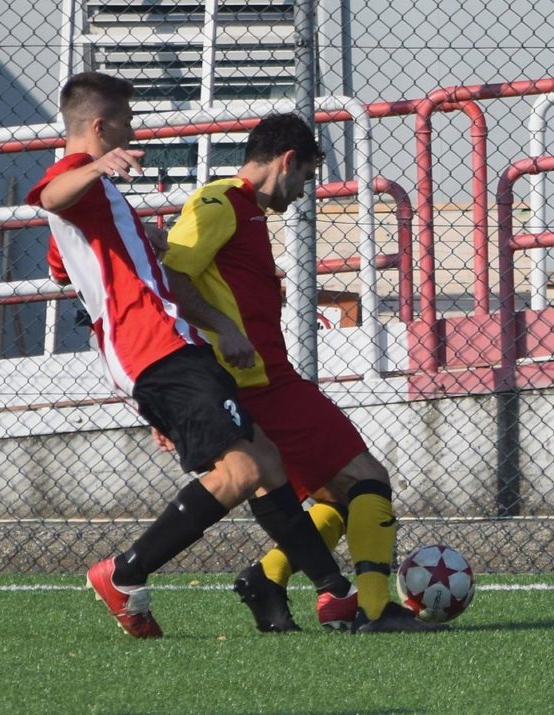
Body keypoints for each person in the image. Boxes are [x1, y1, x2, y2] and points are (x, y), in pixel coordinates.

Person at [25, 72, 355, 639]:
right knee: (244, 468)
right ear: (100, 127)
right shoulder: (72, 178)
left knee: (266, 460)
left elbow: (64, 264)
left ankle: (335, 594)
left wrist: (140, 245)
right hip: (151, 348)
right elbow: (50, 196)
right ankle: (124, 573)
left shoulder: (99, 203)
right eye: (126, 123)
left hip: (169, 345)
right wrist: (96, 168)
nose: (132, 132)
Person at [160, 113, 445, 634]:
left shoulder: (241, 211)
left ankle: (266, 579)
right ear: (288, 161)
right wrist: (225, 329)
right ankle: (375, 610)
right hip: (261, 384)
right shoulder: (219, 203)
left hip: (262, 381)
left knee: (333, 498)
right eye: (306, 177)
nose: (302, 192)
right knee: (367, 478)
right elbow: (172, 274)